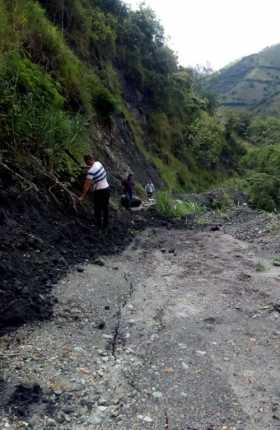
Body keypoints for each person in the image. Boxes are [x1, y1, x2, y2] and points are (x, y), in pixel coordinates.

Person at [78, 155, 110, 229]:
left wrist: (82, 196)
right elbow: (93, 168)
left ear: (88, 160)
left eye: (86, 162)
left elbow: (86, 185)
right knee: (105, 208)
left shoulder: (91, 172)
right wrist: (86, 168)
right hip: (107, 188)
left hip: (100, 191)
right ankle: (105, 225)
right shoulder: (99, 163)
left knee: (97, 208)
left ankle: (98, 225)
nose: (86, 164)